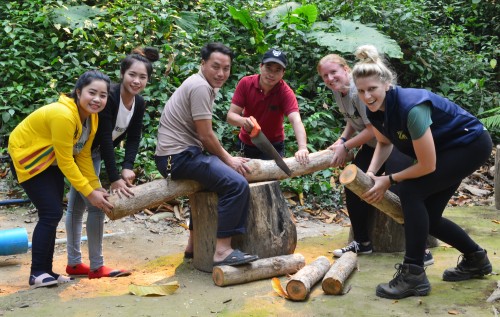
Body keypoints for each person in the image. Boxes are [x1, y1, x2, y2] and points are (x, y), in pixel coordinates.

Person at [351, 45, 493, 299]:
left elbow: (427, 166)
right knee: (429, 216)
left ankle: (414, 274)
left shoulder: (411, 108)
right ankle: (476, 259)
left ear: (387, 84)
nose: (367, 96)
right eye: (361, 91)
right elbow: (384, 142)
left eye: (372, 89)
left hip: (470, 144)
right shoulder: (375, 111)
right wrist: (372, 173)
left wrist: (389, 179)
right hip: (446, 149)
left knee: (410, 191)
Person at [316, 54, 434, 266]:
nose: (330, 78)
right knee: (354, 186)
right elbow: (352, 121)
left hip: (396, 143)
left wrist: (346, 146)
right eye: (325, 75)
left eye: (333, 72)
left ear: (346, 69)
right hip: (374, 146)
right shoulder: (339, 93)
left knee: (402, 193)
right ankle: (362, 242)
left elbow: (372, 130)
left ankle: (421, 247)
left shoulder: (359, 91)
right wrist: (342, 139)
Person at [155, 42, 258, 266]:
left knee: (210, 184)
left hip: (177, 156)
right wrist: (229, 159)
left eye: (226, 68)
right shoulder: (200, 86)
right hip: (177, 158)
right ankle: (222, 252)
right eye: (215, 66)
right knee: (236, 184)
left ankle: (193, 246)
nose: (221, 73)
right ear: (203, 64)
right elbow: (206, 135)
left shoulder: (202, 83)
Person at [8, 70, 113, 288]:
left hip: (50, 160)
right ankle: (37, 273)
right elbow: (67, 162)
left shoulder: (91, 118)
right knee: (50, 212)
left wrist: (95, 186)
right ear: (78, 92)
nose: (97, 99)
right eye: (91, 92)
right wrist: (89, 193)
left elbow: (82, 154)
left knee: (53, 213)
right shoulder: (63, 115)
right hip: (28, 157)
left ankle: (46, 271)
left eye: (102, 95)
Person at [65, 47, 159, 279]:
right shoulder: (112, 96)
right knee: (98, 204)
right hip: (84, 151)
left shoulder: (139, 103)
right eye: (132, 75)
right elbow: (105, 138)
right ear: (122, 73)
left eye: (142, 77)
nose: (136, 81)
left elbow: (134, 137)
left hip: (94, 153)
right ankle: (94, 266)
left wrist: (128, 165)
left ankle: (75, 264)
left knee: (79, 206)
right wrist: (115, 177)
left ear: (148, 80)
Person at [226, 48, 309, 165]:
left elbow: (296, 120)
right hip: (246, 144)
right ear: (261, 66)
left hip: (273, 146)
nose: (271, 74)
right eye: (268, 68)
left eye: (277, 70)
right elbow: (231, 116)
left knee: (272, 181)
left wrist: (302, 148)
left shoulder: (285, 92)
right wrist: (243, 121)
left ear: (283, 73)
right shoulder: (246, 83)